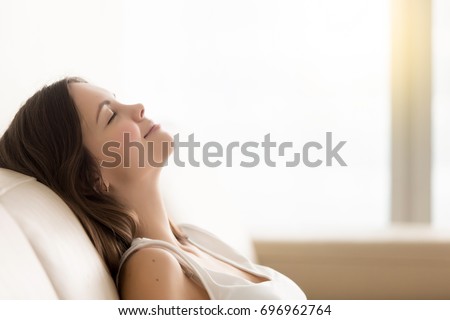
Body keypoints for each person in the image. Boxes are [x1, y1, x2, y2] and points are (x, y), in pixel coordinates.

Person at [0, 77, 307, 300]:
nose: (138, 107)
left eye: (119, 99)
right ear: (90, 179)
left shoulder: (194, 238)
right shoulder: (152, 266)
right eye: (111, 115)